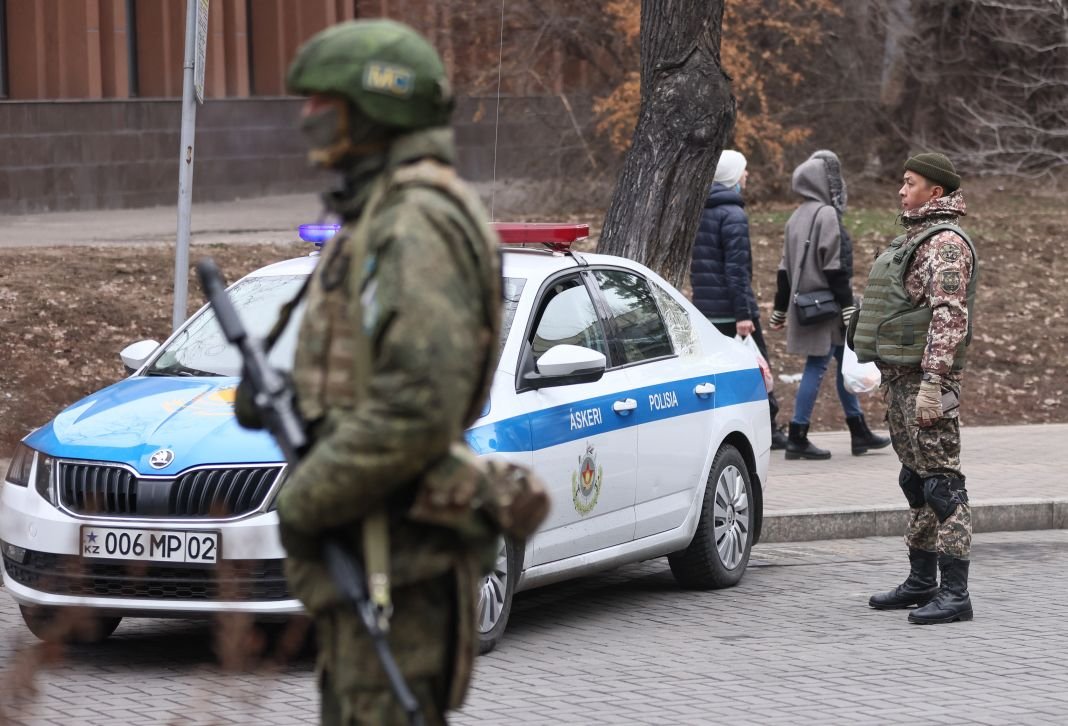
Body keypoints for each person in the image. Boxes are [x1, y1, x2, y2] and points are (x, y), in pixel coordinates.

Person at [239, 19, 503, 723]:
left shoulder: (414, 224)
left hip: (401, 559)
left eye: (324, 102)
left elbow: (420, 399)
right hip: (371, 545)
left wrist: (307, 497)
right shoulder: (378, 215)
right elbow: (368, 370)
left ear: (374, 109)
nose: (308, 117)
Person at [851, 153, 977, 624]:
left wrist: (933, 382)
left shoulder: (946, 244)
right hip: (900, 380)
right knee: (916, 480)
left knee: (943, 485)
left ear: (935, 192)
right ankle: (922, 581)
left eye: (910, 183)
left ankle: (956, 594)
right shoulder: (915, 238)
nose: (902, 191)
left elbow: (949, 316)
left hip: (926, 382)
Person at [769, 150, 890, 460]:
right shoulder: (826, 215)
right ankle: (798, 435)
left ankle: (858, 430)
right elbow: (835, 267)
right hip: (827, 307)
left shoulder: (796, 216)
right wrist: (848, 306)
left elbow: (783, 269)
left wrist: (780, 309)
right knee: (817, 365)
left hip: (807, 305)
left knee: (841, 360)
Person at [690, 150, 787, 450]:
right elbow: (737, 270)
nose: (747, 175)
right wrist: (744, 313)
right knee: (758, 368)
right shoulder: (733, 214)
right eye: (743, 170)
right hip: (733, 311)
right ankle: (770, 428)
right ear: (732, 175)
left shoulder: (699, 211)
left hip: (706, 309)